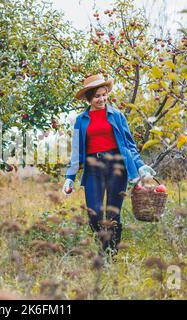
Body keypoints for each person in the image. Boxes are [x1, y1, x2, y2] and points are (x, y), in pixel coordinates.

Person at [62, 74, 156, 256]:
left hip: (116, 167)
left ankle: (110, 254)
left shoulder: (116, 115)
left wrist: (140, 166)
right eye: (97, 96)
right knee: (94, 213)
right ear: (89, 98)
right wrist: (69, 178)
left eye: (104, 94)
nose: (102, 99)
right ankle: (102, 245)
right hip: (93, 168)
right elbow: (76, 153)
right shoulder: (80, 121)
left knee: (113, 213)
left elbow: (129, 146)